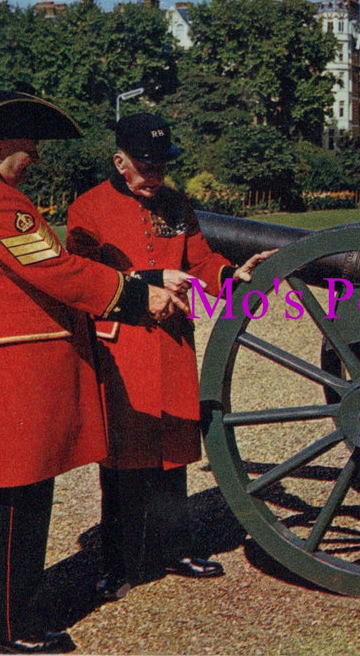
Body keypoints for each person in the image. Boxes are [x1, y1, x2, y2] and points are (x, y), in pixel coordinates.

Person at [0, 88, 190, 654]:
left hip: (0, 360)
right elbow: (56, 270)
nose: (37, 158)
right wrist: (133, 294)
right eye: (30, 146)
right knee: (17, 504)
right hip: (16, 369)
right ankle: (7, 631)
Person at [66, 113, 272, 602]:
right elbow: (84, 271)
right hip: (123, 343)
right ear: (119, 161)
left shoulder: (177, 204)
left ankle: (174, 547)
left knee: (174, 447)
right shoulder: (87, 209)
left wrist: (230, 276)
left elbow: (198, 259)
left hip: (173, 338)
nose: (156, 173)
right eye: (145, 164)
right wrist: (148, 281)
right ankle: (118, 563)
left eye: (161, 163)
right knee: (123, 457)